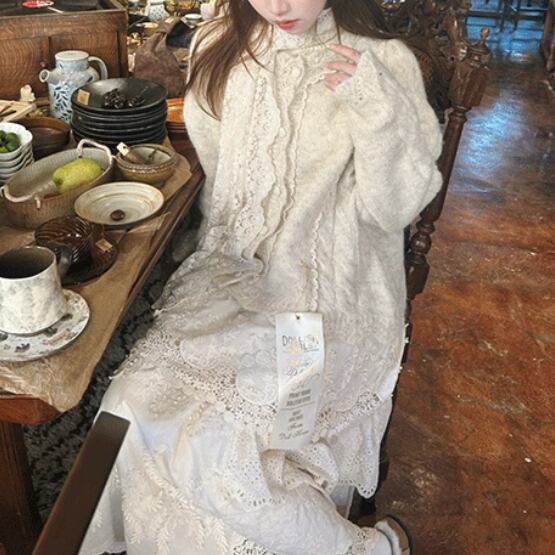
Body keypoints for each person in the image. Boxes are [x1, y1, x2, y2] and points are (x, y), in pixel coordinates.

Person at [80, 1, 442, 554]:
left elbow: (394, 208)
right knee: (129, 405)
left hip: (328, 302)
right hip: (228, 277)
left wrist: (376, 110)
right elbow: (221, 176)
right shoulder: (219, 44)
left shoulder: (379, 61)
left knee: (224, 446)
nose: (278, 6)